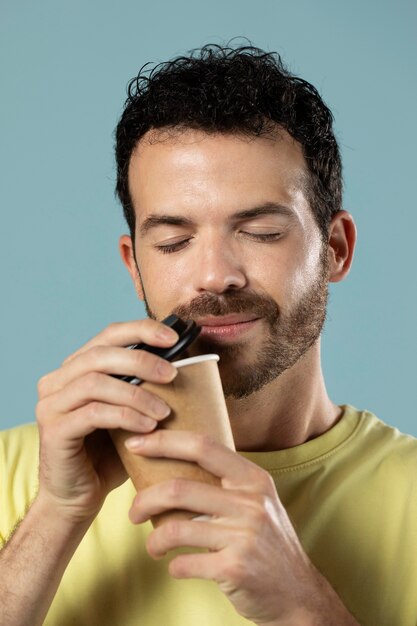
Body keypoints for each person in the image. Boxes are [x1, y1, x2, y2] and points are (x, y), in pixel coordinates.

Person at [0, 43, 416, 626]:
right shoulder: (16, 471)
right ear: (134, 264)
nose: (215, 275)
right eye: (173, 242)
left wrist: (306, 609)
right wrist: (56, 513)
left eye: (262, 231)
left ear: (337, 250)